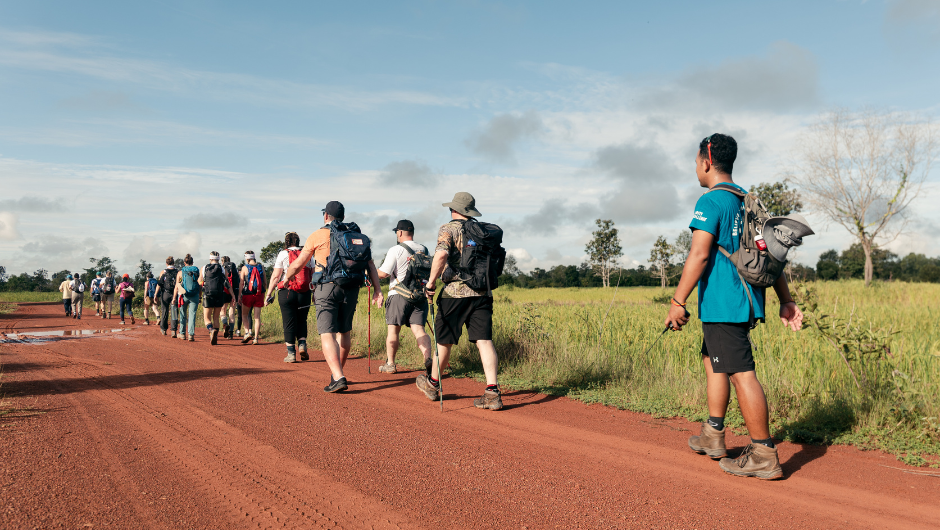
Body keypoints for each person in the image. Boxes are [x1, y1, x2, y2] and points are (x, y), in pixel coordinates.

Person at [667, 134, 806, 480]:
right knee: (713, 361)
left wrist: (677, 301)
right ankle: (713, 434)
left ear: (705, 162)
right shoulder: (747, 200)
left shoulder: (711, 201)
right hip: (744, 300)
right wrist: (785, 300)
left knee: (742, 372)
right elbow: (771, 255)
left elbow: (699, 254)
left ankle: (763, 452)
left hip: (722, 303)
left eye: (696, 162)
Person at [283, 201, 383, 392]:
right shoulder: (357, 236)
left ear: (326, 216)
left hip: (326, 287)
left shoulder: (317, 235)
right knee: (344, 331)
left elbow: (298, 264)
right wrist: (378, 290)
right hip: (352, 288)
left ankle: (338, 376)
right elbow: (370, 265)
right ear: (343, 217)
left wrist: (286, 278)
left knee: (327, 331)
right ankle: (338, 372)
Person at [419, 192, 502, 410]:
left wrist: (430, 283)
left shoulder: (449, 228)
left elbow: (440, 255)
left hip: (454, 294)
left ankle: (433, 383)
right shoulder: (484, 231)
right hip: (483, 293)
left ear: (454, 210)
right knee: (484, 340)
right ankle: (492, 392)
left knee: (444, 340)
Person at [375, 219, 433, 375]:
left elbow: (384, 273)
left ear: (399, 233)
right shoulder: (424, 249)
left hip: (398, 294)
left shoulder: (395, 249)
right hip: (419, 295)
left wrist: (370, 273)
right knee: (419, 330)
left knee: (393, 331)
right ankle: (428, 358)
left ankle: (391, 364)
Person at [264, 232, 315, 363]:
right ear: (298, 241)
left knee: (289, 322)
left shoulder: (283, 254)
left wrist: (269, 294)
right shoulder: (308, 254)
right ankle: (302, 345)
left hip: (287, 292)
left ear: (286, 242)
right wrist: (314, 294)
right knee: (302, 320)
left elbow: (276, 276)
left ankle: (291, 354)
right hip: (304, 292)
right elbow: (314, 275)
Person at [201, 251, 235, 345]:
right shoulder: (223, 269)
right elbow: (227, 283)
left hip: (208, 294)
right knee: (216, 317)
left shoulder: (204, 268)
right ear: (219, 259)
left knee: (207, 318)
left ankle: (211, 330)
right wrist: (232, 295)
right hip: (220, 294)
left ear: (210, 258)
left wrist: (200, 296)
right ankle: (215, 336)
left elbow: (200, 282)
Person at [239, 251, 266, 345]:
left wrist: (239, 295)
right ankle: (256, 338)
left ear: (247, 258)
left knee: (244, 315)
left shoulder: (244, 268)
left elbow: (241, 283)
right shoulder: (261, 266)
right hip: (259, 294)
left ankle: (247, 332)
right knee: (257, 317)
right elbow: (265, 282)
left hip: (247, 294)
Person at [177, 254, 201, 341]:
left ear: (184, 262)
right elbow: (199, 283)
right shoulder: (196, 270)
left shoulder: (181, 272)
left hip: (184, 295)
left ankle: (182, 333)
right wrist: (200, 296)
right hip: (194, 294)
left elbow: (178, 284)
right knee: (192, 315)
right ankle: (191, 335)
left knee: (183, 314)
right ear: (192, 262)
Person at [153, 257, 177, 337]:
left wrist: (155, 294)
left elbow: (159, 284)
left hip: (165, 293)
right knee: (174, 312)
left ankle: (163, 329)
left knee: (164, 311)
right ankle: (173, 330)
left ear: (166, 263)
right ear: (173, 263)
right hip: (174, 294)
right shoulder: (177, 272)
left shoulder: (163, 272)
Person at [220, 256, 240, 339]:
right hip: (235, 291)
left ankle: (225, 324)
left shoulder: (222, 268)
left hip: (225, 291)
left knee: (223, 310)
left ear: (222, 261)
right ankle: (231, 333)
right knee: (231, 311)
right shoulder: (234, 269)